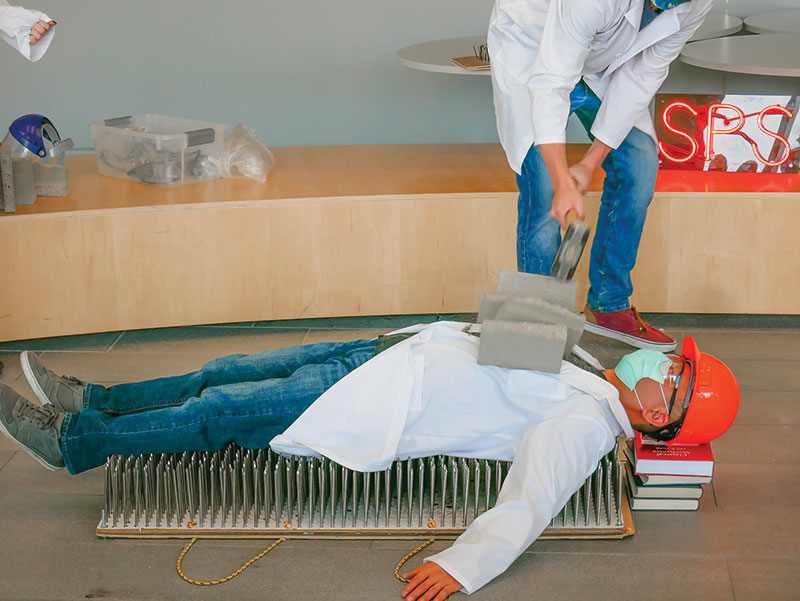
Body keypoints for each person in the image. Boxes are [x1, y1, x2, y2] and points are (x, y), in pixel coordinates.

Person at [0, 321, 739, 600]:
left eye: (672, 381)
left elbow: (532, 496)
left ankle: (70, 443)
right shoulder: (591, 368)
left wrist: (466, 563)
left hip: (375, 398)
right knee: (217, 372)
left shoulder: (585, 420)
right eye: (676, 364)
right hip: (382, 351)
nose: (664, 364)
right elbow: (499, 332)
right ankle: (93, 396)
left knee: (214, 416)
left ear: (657, 417)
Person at [489, 0, 712, 352]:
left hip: (601, 60)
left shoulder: (696, 4)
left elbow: (643, 74)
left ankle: (609, 303)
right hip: (532, 45)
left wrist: (590, 163)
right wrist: (564, 181)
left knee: (639, 162)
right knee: (545, 185)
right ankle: (532, 328)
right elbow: (552, 80)